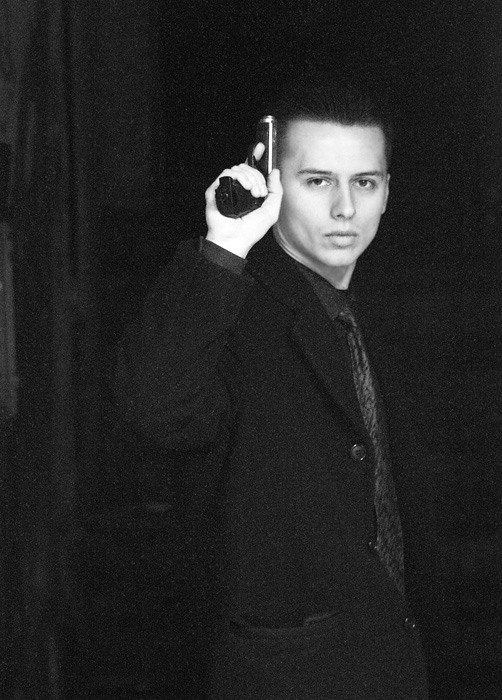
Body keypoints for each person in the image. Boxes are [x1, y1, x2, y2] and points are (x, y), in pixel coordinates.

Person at [115, 74, 429, 699]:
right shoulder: (232, 302)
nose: (346, 209)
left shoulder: (379, 309)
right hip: (280, 677)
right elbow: (154, 408)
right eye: (318, 182)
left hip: (388, 663)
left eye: (365, 183)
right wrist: (225, 244)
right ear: (274, 184)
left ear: (387, 192)